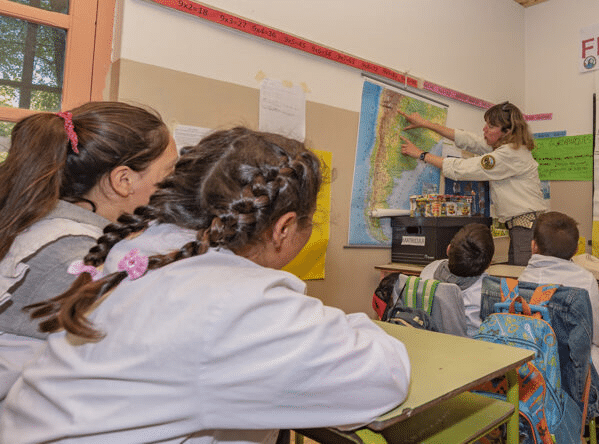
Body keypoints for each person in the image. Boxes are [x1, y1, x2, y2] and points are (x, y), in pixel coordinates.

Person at [0, 127, 411, 443]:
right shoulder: (230, 301)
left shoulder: (135, 255)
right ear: (284, 229)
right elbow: (381, 378)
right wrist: (357, 324)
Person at [0, 101, 177, 401]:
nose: (176, 186)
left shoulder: (38, 223)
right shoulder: (77, 258)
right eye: (169, 173)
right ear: (123, 181)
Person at [518, 211, 599, 444]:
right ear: (575, 250)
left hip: (533, 369)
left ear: (533, 246)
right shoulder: (584, 280)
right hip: (574, 374)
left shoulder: (523, 277)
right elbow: (597, 334)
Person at [399, 101, 548, 265]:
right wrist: (425, 123)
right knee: (516, 272)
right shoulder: (507, 149)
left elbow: (466, 168)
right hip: (522, 226)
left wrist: (422, 155)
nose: (485, 129)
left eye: (491, 126)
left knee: (521, 275)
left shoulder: (509, 154)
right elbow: (470, 140)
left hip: (525, 226)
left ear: (507, 131)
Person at [420, 223, 494, 337]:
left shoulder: (429, 270)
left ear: (448, 249)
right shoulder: (485, 291)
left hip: (427, 342)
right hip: (468, 350)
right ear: (489, 263)